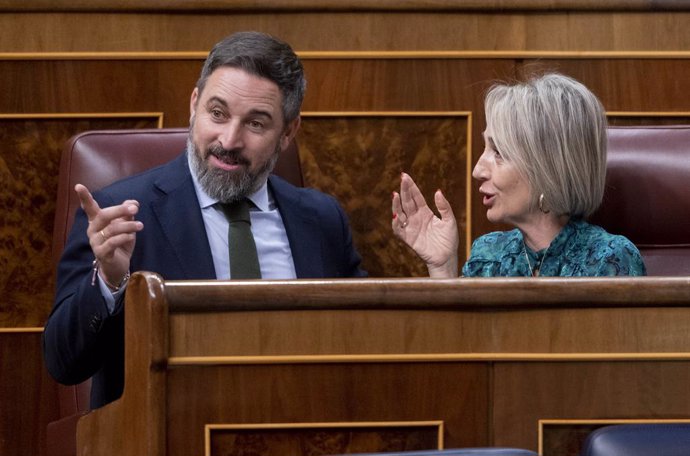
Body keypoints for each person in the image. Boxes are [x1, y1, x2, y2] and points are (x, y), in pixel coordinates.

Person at [44, 31, 366, 409]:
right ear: (194, 104)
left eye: (256, 124)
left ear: (288, 133)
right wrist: (109, 282)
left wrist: (440, 274)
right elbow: (63, 363)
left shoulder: (321, 220)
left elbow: (365, 341)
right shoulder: (119, 213)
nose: (229, 140)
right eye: (218, 113)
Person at [392, 73, 646, 278]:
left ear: (547, 167)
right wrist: (443, 267)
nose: (477, 170)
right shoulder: (488, 257)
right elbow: (463, 342)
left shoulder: (610, 261)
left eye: (499, 152)